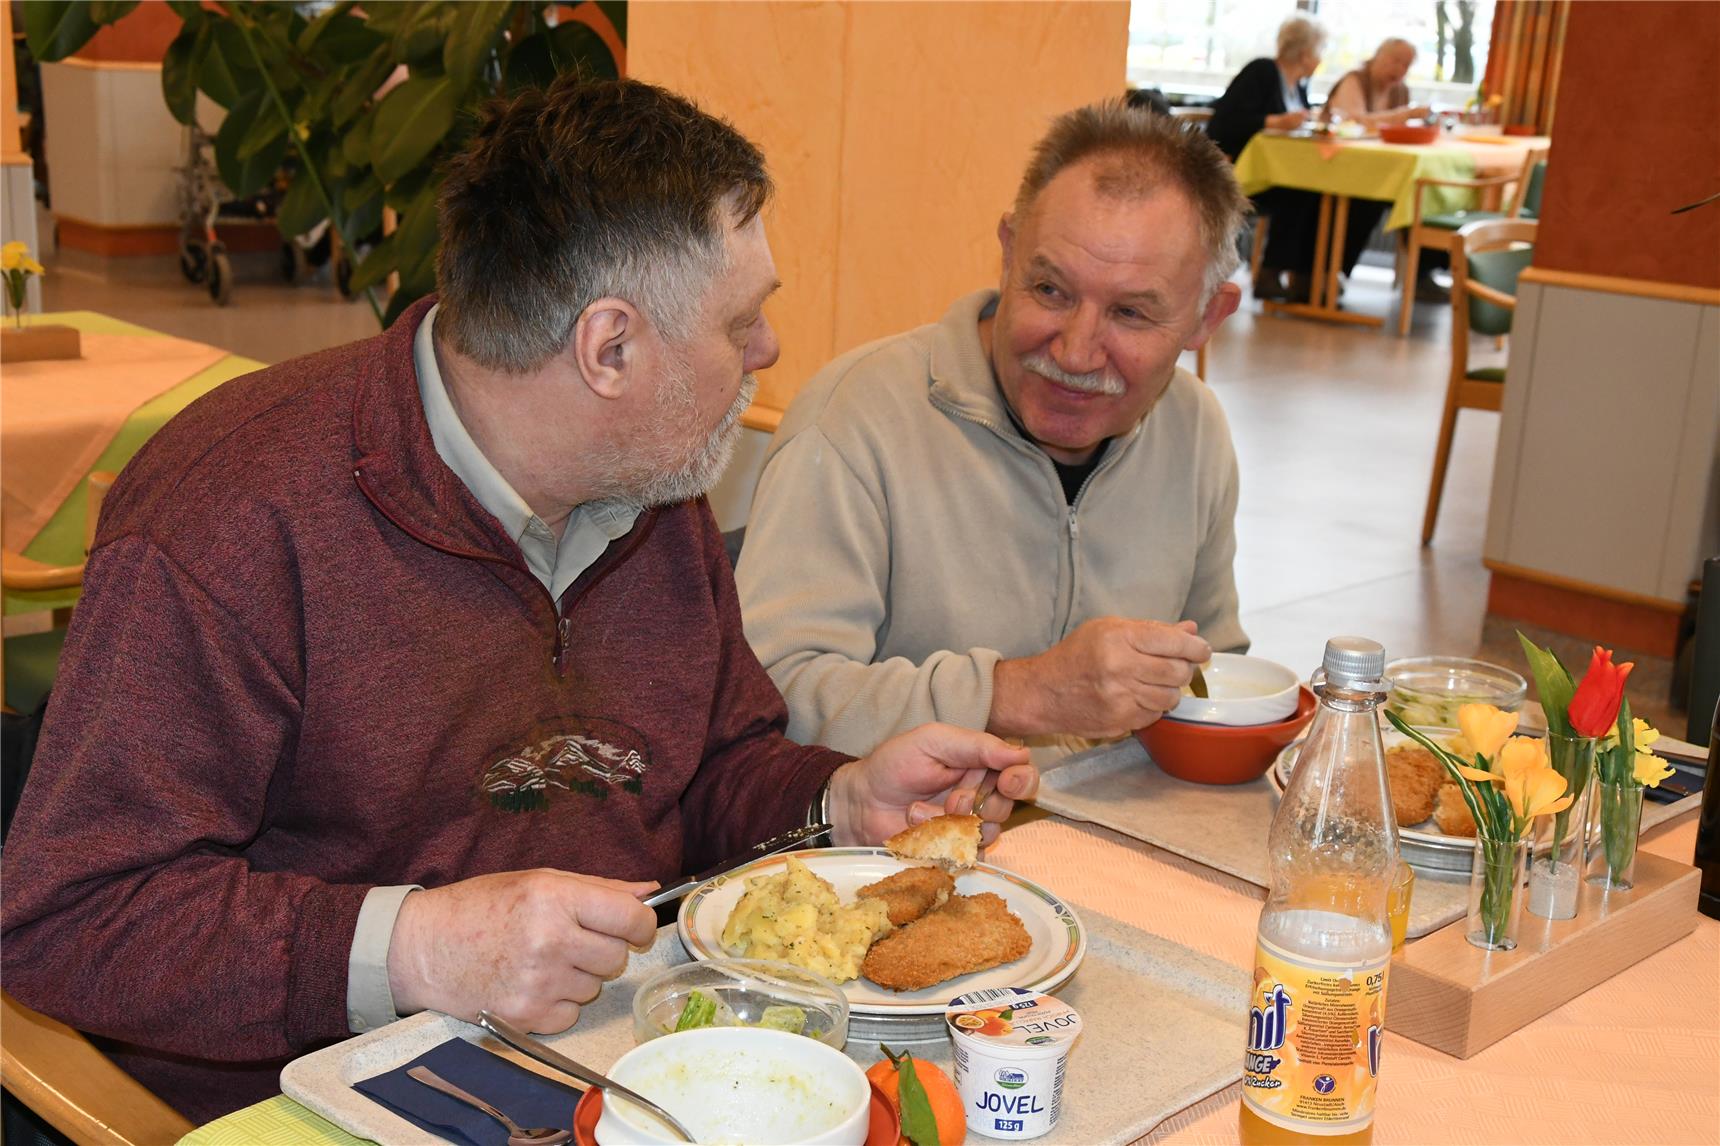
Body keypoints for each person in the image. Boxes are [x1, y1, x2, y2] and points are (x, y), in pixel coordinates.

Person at [0, 77, 1037, 1122]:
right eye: (744, 318)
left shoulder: (651, 480)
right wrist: (416, 950)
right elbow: (68, 918)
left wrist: (835, 802)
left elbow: (707, 767)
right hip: (314, 1099)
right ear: (610, 348)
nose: (767, 350)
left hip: (621, 1060)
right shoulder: (230, 518)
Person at [735, 98, 1249, 761]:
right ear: (1008, 255)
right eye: (1051, 291)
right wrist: (1018, 693)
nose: (1075, 352)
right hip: (894, 852)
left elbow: (1218, 671)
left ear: (1210, 315)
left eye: (1129, 313)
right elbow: (768, 701)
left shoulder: (1196, 429)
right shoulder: (853, 420)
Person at [1205, 15, 1329, 301]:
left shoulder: (1299, 86)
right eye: (1320, 51)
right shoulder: (1261, 72)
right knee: (1300, 190)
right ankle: (1271, 272)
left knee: (1315, 188)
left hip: (1276, 171)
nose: (1321, 59)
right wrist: (1275, 121)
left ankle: (1305, 277)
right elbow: (1226, 124)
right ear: (1305, 52)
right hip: (1237, 170)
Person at [1321, 38, 1431, 129]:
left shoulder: (1401, 90)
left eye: (1406, 65)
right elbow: (1353, 122)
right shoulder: (1354, 80)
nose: (1400, 69)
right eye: (1396, 61)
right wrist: (1407, 114)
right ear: (1377, 55)